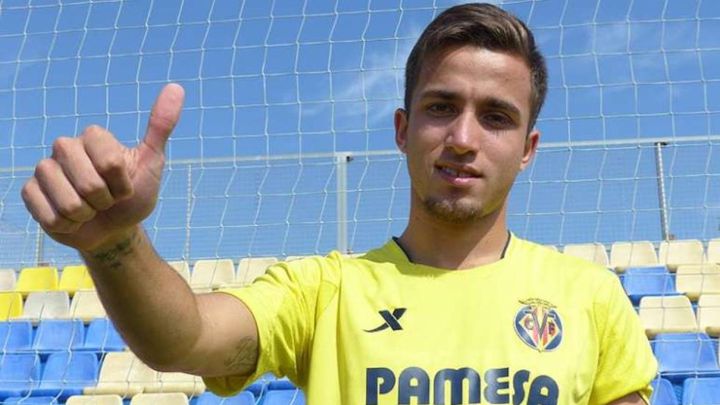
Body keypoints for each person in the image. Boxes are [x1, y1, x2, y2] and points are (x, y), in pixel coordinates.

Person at [21, 3, 656, 404]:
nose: (463, 138)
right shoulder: (325, 291)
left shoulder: (590, 297)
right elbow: (183, 340)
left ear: (527, 149)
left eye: (496, 117)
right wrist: (115, 242)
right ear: (403, 129)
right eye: (441, 108)